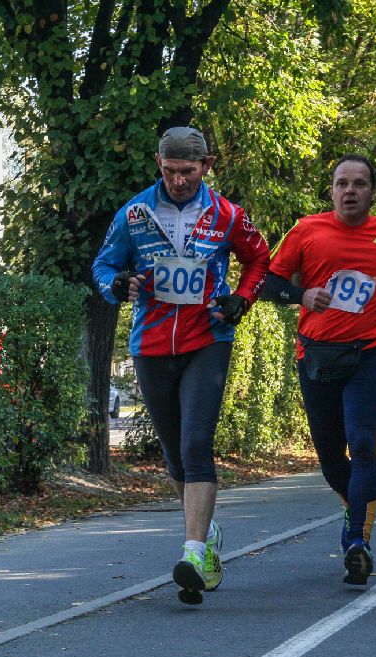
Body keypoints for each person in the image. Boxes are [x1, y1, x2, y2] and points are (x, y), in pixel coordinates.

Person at [92, 126, 270, 605]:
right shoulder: (134, 213)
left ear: (207, 165)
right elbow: (103, 266)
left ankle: (192, 554)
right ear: (158, 163)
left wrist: (241, 299)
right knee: (174, 456)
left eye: (187, 171)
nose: (177, 181)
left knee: (196, 444)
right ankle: (206, 535)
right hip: (150, 343)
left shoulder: (227, 214)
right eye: (169, 171)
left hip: (207, 339)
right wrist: (118, 284)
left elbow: (260, 260)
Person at [262, 154, 376, 587]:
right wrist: (301, 295)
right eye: (341, 184)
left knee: (364, 444)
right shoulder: (306, 230)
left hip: (369, 354)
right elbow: (268, 283)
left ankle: (358, 541)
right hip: (317, 357)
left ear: (373, 192)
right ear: (331, 190)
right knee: (333, 459)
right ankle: (354, 510)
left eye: (359, 183)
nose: (349, 190)